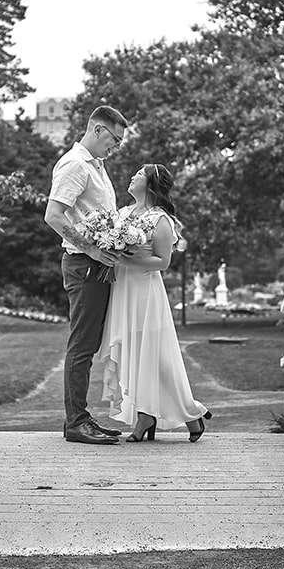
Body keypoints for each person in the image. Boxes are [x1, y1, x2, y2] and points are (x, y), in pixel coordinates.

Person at [96, 164, 211, 442]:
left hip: (146, 293)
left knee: (156, 357)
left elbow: (163, 262)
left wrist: (128, 259)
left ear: (149, 184)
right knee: (133, 354)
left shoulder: (160, 219)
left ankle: (184, 413)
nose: (132, 176)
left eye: (138, 174)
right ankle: (147, 413)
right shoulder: (122, 214)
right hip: (122, 290)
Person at [44, 105, 130, 445]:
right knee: (81, 345)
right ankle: (76, 422)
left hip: (97, 266)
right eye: (115, 139)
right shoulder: (75, 165)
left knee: (89, 344)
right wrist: (92, 250)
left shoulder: (97, 166)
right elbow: (54, 215)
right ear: (97, 130)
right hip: (84, 265)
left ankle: (81, 417)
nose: (117, 146)